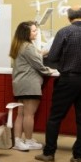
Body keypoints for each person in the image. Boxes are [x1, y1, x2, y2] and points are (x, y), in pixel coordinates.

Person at [35, 5, 81, 162]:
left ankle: (49, 153)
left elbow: (52, 56)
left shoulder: (64, 32)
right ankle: (79, 156)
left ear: (69, 18)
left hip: (68, 80)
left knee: (55, 117)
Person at [8, 21, 53, 151]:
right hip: (30, 84)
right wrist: (49, 71)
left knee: (20, 114)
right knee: (29, 114)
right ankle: (28, 140)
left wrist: (44, 52)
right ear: (26, 33)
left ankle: (17, 140)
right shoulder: (28, 47)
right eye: (34, 31)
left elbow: (35, 55)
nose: (36, 32)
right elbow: (38, 64)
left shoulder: (18, 45)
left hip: (20, 83)